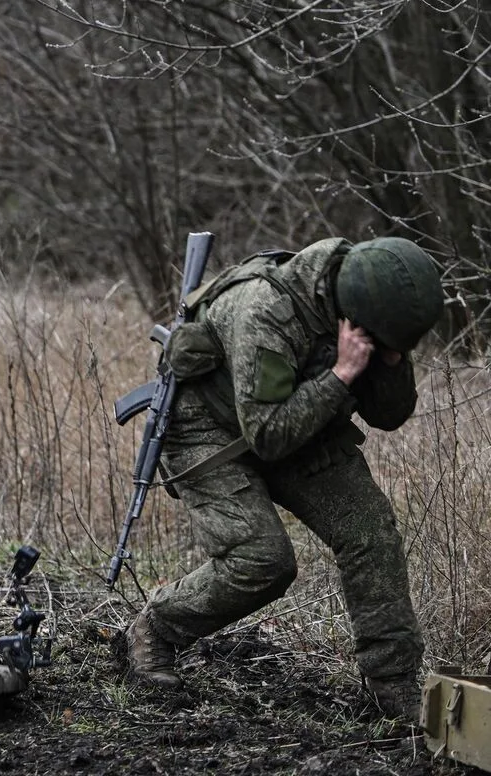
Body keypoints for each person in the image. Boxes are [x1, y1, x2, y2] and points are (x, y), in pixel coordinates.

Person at [123, 237, 443, 722]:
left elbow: (389, 415)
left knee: (369, 529)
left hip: (295, 411)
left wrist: (390, 362)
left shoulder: (368, 313)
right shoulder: (266, 312)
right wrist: (342, 374)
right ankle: (155, 629)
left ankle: (392, 684)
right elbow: (270, 435)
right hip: (205, 422)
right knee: (263, 561)